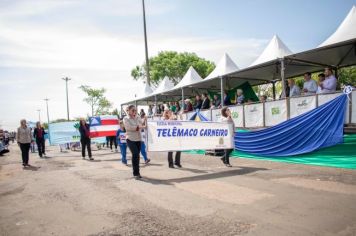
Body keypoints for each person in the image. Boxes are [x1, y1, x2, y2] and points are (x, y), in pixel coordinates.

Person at [123, 105, 146, 179]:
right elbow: (128, 128)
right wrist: (139, 127)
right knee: (135, 154)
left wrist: (144, 121)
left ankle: (137, 172)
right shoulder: (126, 118)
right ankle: (135, 173)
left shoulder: (138, 117)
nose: (134, 112)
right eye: (133, 110)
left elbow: (141, 124)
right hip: (130, 139)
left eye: (135, 110)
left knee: (137, 156)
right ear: (128, 110)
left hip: (138, 139)